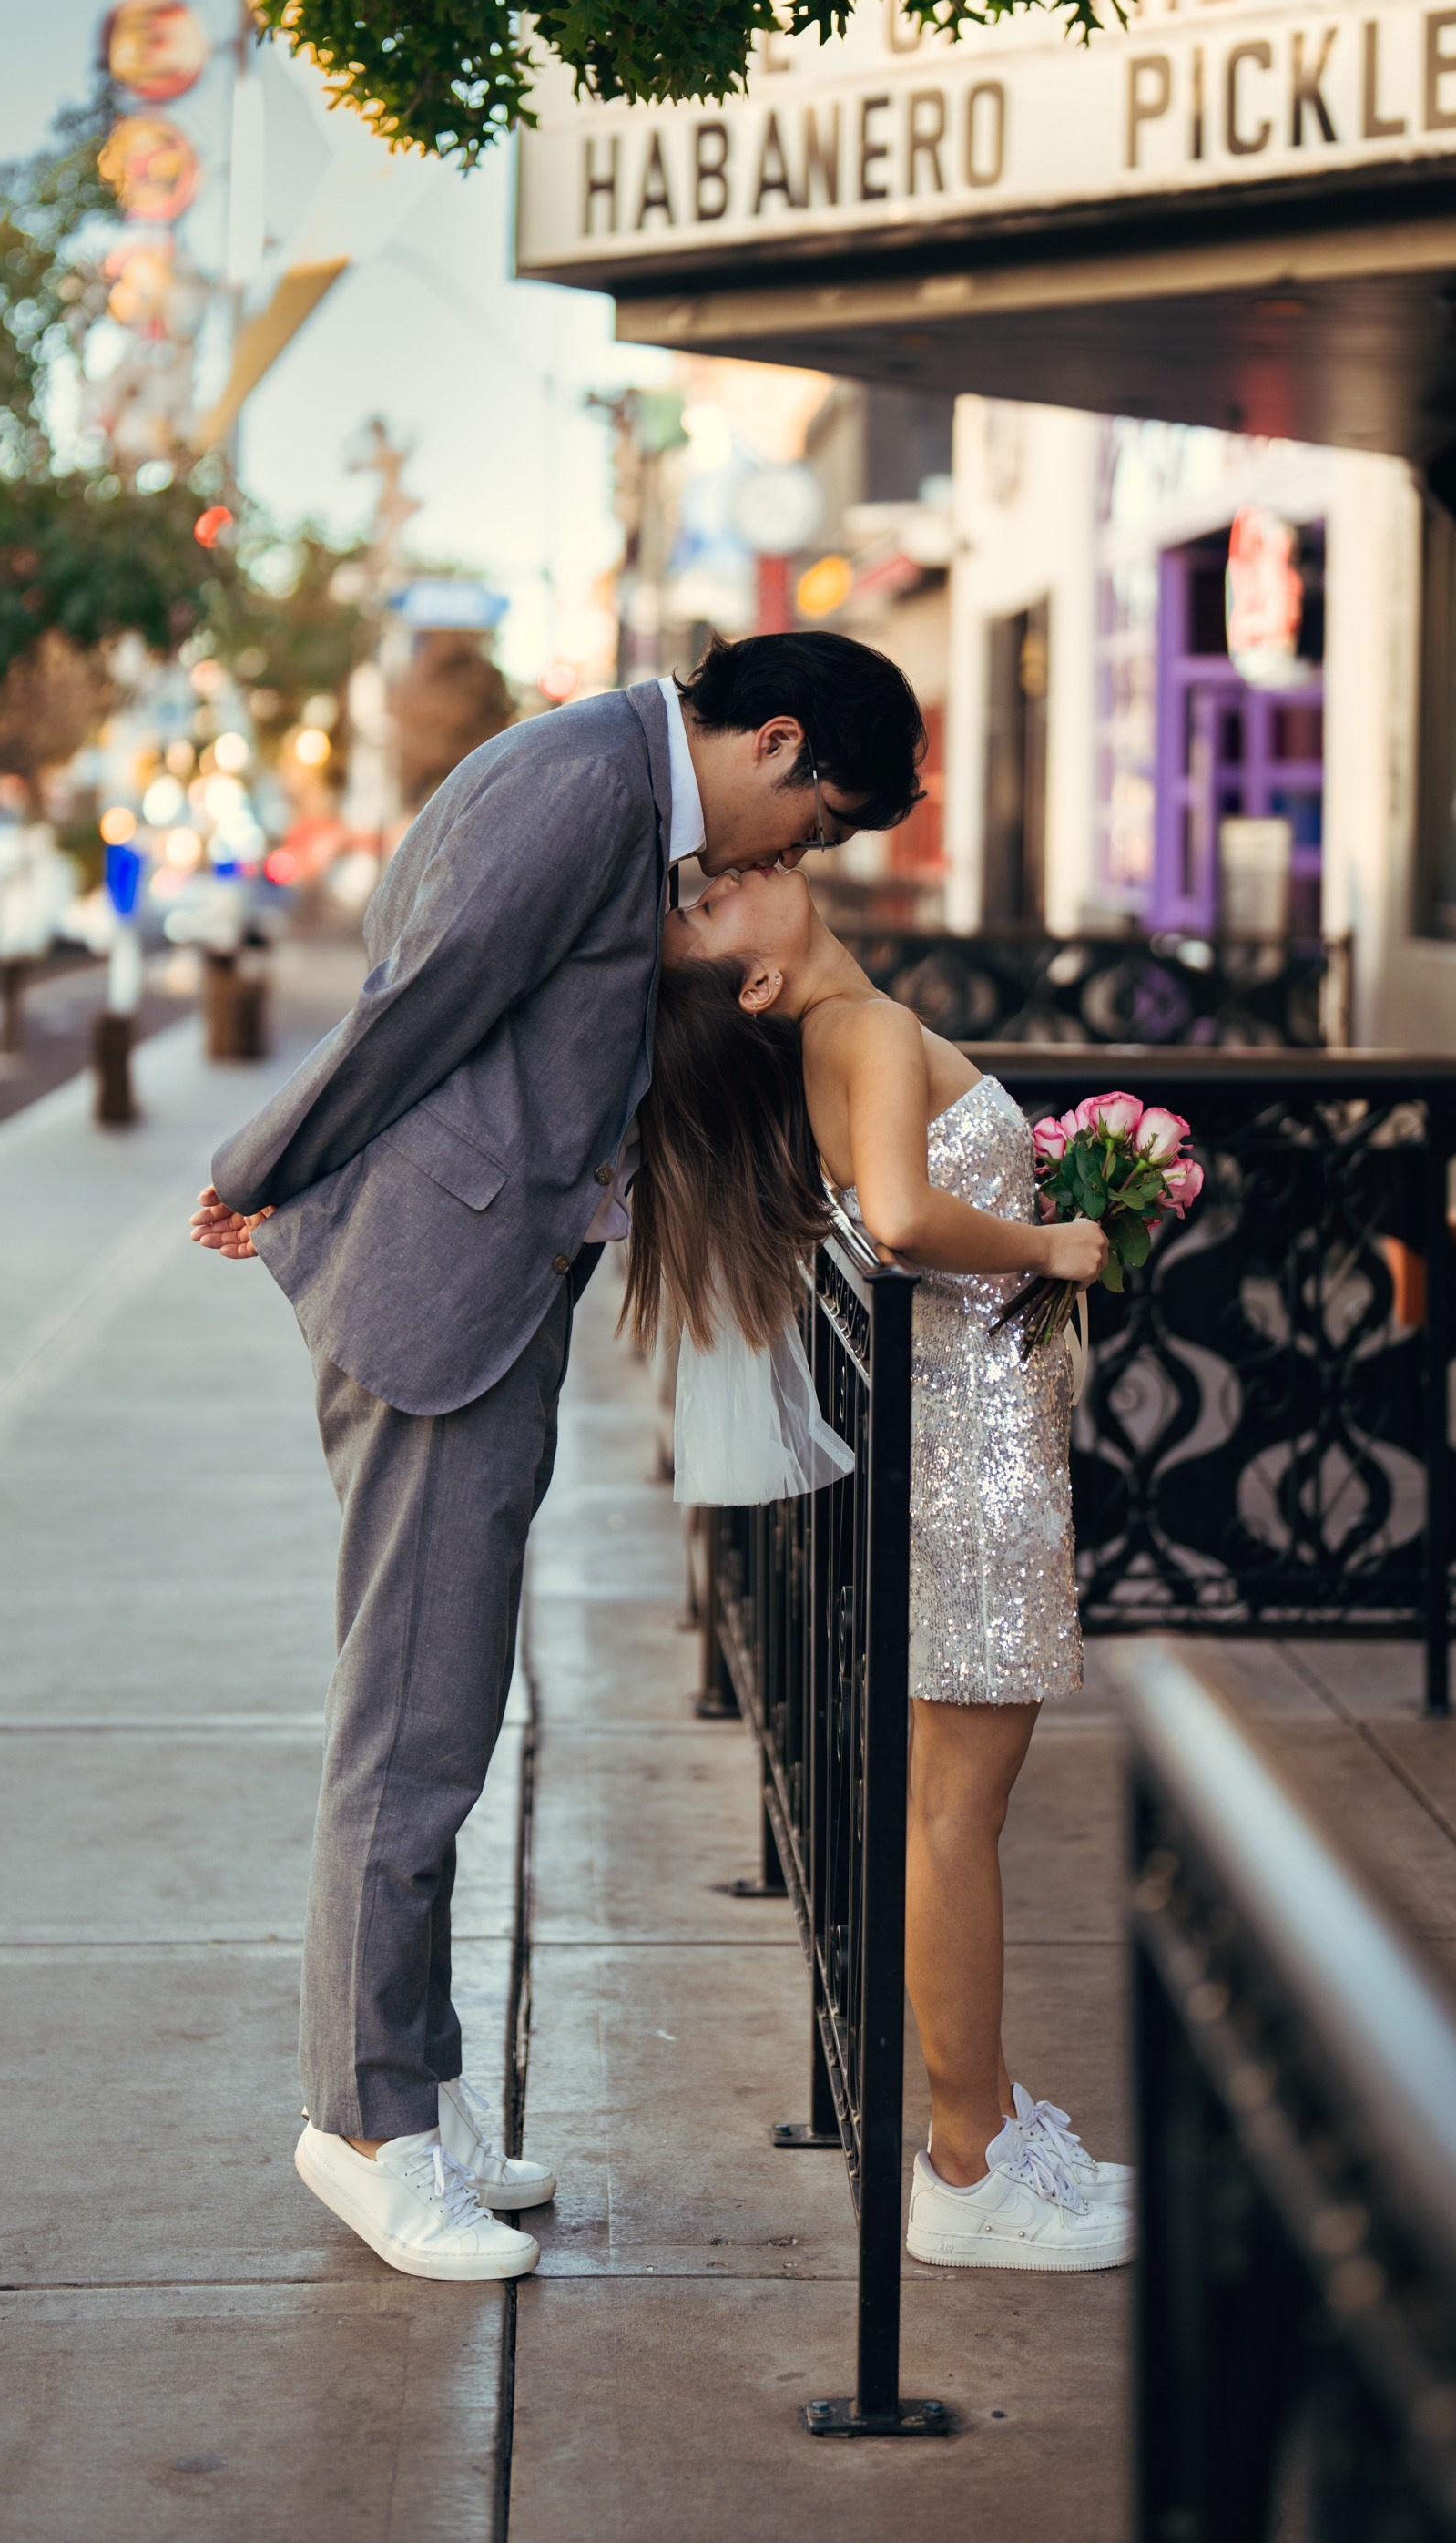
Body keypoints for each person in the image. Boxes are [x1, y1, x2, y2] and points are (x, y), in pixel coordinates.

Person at [189, 637, 925, 2283]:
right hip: (438, 1304)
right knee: (414, 1723)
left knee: (445, 1710)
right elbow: (420, 996)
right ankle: (366, 2129)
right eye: (808, 827)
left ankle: (413, 2094)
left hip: (479, 1295)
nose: (785, 862)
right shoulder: (595, 784)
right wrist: (263, 1162)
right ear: (778, 741)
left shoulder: (607, 781)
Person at [626, 862, 1136, 2273]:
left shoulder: (842, 1034)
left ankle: (984, 2131)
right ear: (759, 985)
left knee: (947, 1810)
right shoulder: (857, 1030)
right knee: (959, 1816)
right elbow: (907, 1222)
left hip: (969, 1454)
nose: (739, 877)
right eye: (713, 906)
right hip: (982, 1466)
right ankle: (969, 2169)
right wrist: (1056, 1241)